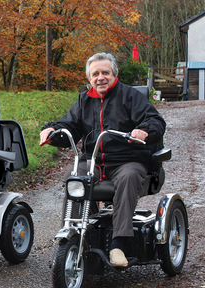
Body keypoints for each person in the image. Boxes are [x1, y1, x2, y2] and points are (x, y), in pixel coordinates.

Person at [39, 53, 166, 268]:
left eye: (105, 72)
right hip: (94, 162)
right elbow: (69, 125)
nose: (100, 78)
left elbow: (155, 120)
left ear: (114, 74)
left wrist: (143, 130)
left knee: (128, 176)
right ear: (89, 78)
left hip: (128, 160)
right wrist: (51, 130)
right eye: (95, 74)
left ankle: (119, 244)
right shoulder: (84, 100)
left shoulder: (130, 96)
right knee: (74, 174)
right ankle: (75, 235)